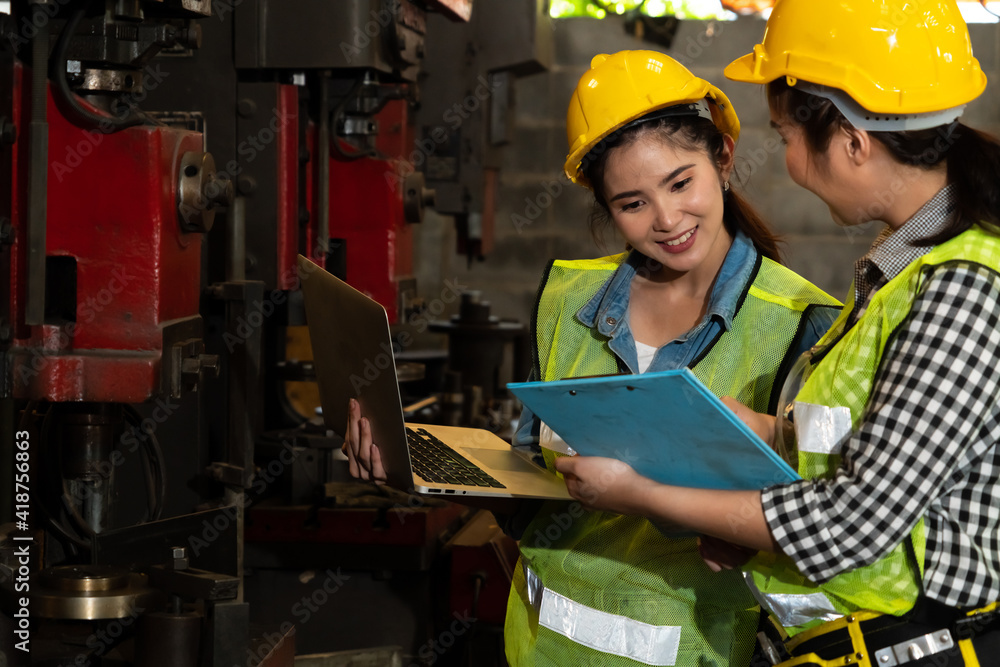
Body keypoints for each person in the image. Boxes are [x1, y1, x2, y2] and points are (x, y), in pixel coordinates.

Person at [346, 49, 840, 665]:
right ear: (606, 210)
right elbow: (534, 490)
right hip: (539, 647)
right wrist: (421, 469)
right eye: (632, 203)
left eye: (680, 182)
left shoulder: (802, 322)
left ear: (723, 159)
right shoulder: (568, 295)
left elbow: (825, 531)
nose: (667, 220)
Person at [555, 2, 1000, 665]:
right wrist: (764, 432)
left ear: (851, 140)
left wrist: (638, 493)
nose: (787, 160)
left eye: (787, 134)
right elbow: (872, 446)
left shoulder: (964, 287)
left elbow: (856, 520)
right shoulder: (909, 265)